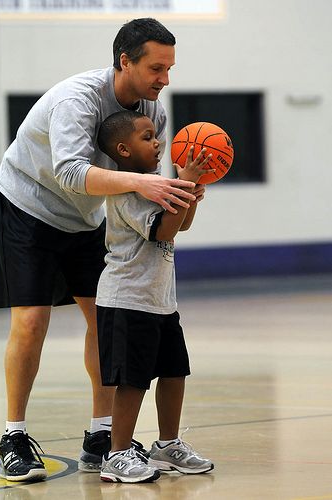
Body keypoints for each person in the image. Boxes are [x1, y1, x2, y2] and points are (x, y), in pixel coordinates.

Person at [0, 18, 199, 482]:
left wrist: (185, 188)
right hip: (28, 204)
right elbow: (70, 173)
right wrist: (142, 181)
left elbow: (146, 190)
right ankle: (14, 436)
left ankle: (101, 436)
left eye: (170, 68)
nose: (165, 80)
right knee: (31, 320)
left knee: (103, 318)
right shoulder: (77, 100)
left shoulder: (152, 111)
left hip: (87, 215)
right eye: (156, 68)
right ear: (125, 61)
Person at [95, 110, 215, 483]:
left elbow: (182, 224)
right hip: (126, 298)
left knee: (175, 371)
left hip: (160, 300)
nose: (158, 141)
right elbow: (162, 232)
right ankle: (115, 455)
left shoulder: (156, 183)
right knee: (133, 380)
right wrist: (185, 184)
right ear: (123, 150)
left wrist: (189, 193)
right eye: (147, 137)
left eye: (155, 136)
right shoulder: (128, 190)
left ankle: (167, 445)